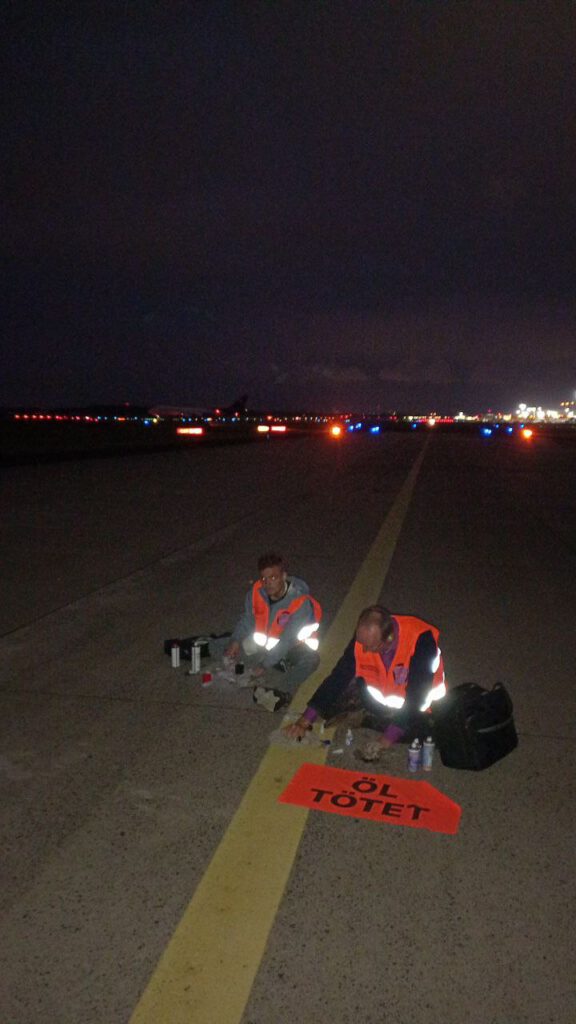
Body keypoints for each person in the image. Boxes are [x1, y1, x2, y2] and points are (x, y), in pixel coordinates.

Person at [284, 604, 446, 751]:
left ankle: (372, 720)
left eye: (371, 646)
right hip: (380, 702)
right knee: (329, 704)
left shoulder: (421, 641)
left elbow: (416, 697)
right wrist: (305, 721)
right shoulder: (363, 640)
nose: (365, 650)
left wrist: (386, 740)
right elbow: (339, 676)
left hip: (417, 709)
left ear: (389, 638)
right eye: (362, 644)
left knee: (428, 734)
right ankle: (370, 717)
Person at [222, 552, 322, 708]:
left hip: (292, 648)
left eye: (273, 578)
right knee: (230, 642)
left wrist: (264, 665)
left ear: (284, 576)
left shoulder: (299, 601)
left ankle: (281, 692)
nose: (268, 583)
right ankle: (200, 647)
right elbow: (247, 619)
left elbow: (286, 641)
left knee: (311, 660)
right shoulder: (256, 593)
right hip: (266, 645)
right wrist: (235, 641)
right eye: (264, 579)